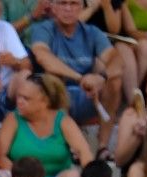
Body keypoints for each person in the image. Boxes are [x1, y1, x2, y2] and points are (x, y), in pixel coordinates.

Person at [27, 0, 122, 149]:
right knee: (53, 77)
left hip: (88, 94)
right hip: (54, 96)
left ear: (82, 8)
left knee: (114, 81)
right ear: (53, 7)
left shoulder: (92, 32)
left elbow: (116, 60)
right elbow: (43, 57)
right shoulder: (43, 29)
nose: (68, 9)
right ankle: (66, 144)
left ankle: (103, 146)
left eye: (73, 4)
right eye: (62, 3)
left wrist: (100, 78)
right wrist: (80, 78)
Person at [0, 74, 89, 177]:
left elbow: (85, 154)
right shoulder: (13, 119)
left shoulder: (63, 121)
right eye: (19, 96)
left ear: (45, 101)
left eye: (26, 98)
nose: (19, 102)